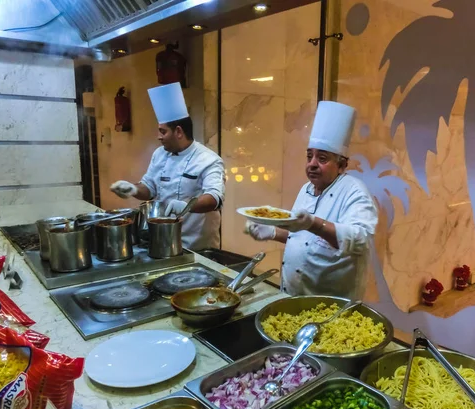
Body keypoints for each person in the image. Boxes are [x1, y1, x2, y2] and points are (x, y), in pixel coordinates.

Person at [246, 101, 378, 300]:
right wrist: (273, 232)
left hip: (331, 307)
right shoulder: (306, 189)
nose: (312, 164)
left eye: (322, 159)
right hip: (291, 296)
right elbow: (306, 240)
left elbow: (361, 239)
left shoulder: (354, 192)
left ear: (342, 165)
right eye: (309, 157)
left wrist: (315, 224)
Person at [110, 82, 225, 251]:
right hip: (163, 241)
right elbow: (149, 187)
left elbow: (214, 198)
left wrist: (186, 206)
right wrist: (133, 189)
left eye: (162, 131)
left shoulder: (209, 160)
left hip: (197, 247)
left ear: (178, 132)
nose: (158, 137)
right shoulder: (160, 154)